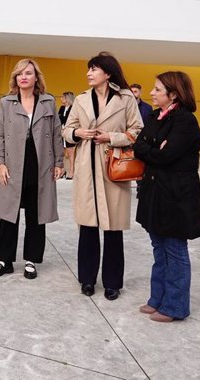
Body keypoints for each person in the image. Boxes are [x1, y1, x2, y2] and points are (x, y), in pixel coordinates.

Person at [63, 52, 143, 300]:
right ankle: (87, 279)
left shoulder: (126, 99)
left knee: (113, 228)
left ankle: (112, 283)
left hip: (114, 166)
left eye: (94, 69)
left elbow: (137, 130)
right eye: (89, 69)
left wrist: (111, 137)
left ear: (107, 73)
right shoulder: (81, 99)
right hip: (86, 166)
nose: (89, 73)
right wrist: (79, 132)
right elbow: (66, 130)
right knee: (87, 227)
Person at [134, 71, 200, 322]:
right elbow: (139, 147)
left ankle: (175, 306)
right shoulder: (154, 116)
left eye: (157, 89)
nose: (151, 93)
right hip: (155, 192)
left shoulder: (185, 121)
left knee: (174, 249)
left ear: (173, 94)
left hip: (176, 196)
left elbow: (167, 155)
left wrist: (151, 150)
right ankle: (157, 299)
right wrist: (153, 149)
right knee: (158, 247)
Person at [0, 59, 64, 279]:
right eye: (20, 73)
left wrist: (59, 162)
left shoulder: (48, 102)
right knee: (9, 214)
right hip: (13, 164)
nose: (24, 77)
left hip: (40, 163)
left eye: (28, 73)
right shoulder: (6, 103)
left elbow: (57, 134)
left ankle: (31, 260)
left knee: (36, 213)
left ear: (36, 77)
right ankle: (5, 260)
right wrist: (0, 163)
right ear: (15, 78)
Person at [58, 92, 76, 179]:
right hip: (61, 132)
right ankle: (64, 170)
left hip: (69, 132)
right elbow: (58, 119)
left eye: (63, 97)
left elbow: (69, 119)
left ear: (68, 98)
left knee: (70, 153)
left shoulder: (73, 108)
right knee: (62, 152)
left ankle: (72, 171)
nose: (61, 99)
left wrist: (62, 119)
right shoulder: (62, 108)